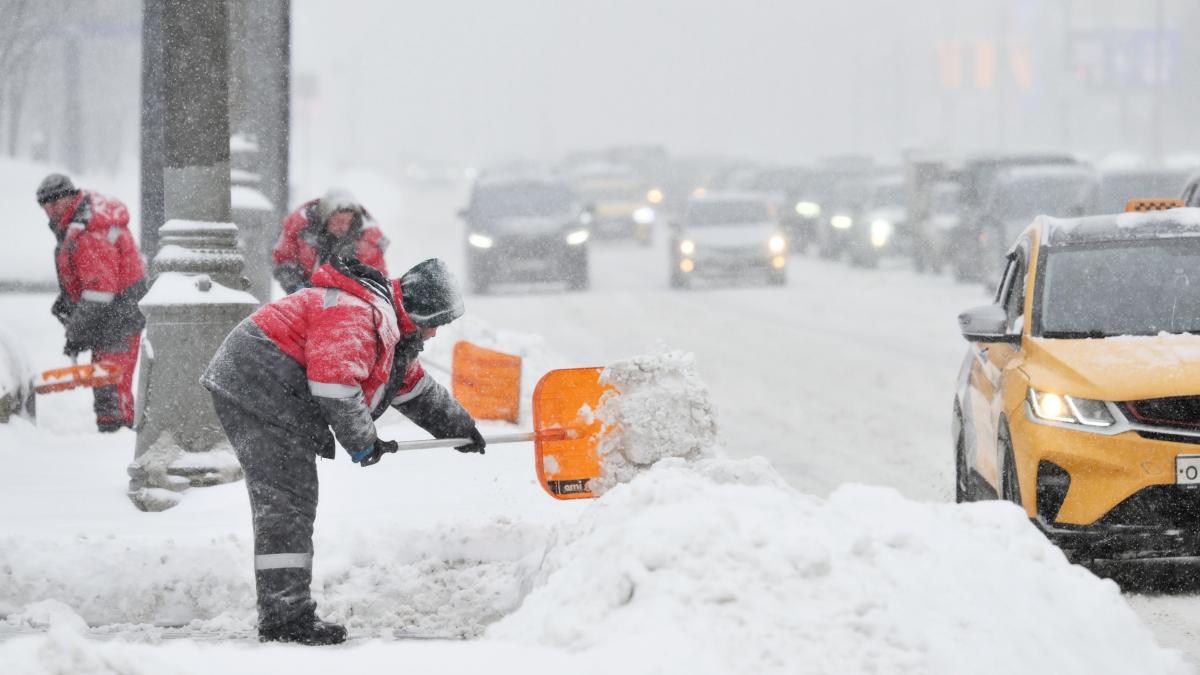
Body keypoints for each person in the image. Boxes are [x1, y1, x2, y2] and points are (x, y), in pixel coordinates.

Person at [200, 257, 485, 645]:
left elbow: (414, 389)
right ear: (417, 312)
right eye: (433, 323)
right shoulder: (356, 315)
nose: (433, 334)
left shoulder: (387, 330)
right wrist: (364, 442)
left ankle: (286, 611)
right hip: (257, 387)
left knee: (289, 501)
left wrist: (461, 429)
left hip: (270, 392)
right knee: (285, 501)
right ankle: (285, 619)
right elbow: (334, 386)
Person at [37, 173, 147, 432]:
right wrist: (68, 303)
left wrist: (76, 333)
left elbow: (99, 294)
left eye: (55, 203)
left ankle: (118, 442)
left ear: (71, 197)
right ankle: (115, 435)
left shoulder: (89, 232)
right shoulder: (79, 223)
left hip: (119, 315)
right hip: (115, 314)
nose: (50, 211)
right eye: (45, 206)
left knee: (111, 385)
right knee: (107, 383)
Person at [272, 189, 389, 294]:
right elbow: (283, 259)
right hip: (304, 296)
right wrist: (295, 286)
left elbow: (377, 279)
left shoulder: (367, 241)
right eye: (338, 220)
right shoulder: (299, 227)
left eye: (347, 221)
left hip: (348, 301)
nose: (342, 226)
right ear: (325, 217)